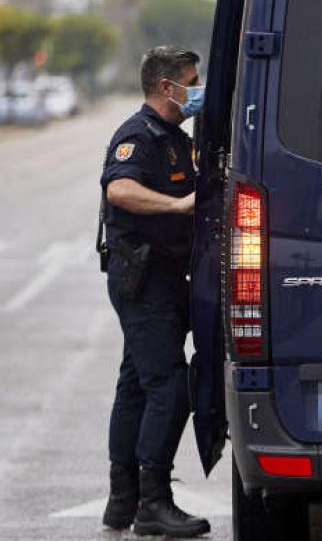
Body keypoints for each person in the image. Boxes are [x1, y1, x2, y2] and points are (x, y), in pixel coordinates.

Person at [98, 46, 209, 537]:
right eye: (192, 80)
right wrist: (178, 206)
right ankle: (153, 503)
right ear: (168, 87)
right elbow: (118, 190)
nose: (197, 88)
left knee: (136, 383)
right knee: (169, 385)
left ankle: (122, 502)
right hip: (142, 279)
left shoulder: (173, 137)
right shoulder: (137, 136)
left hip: (161, 276)